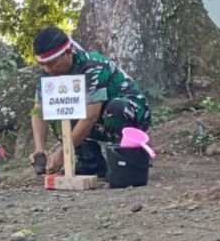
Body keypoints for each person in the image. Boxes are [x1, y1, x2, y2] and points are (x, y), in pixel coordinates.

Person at [28, 27, 151, 177]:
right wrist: (39, 150)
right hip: (97, 116)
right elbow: (39, 110)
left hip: (131, 113)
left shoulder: (92, 66)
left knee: (116, 109)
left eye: (53, 63)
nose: (48, 69)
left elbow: (90, 116)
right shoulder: (47, 75)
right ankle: (90, 160)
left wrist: (63, 153)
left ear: (69, 51)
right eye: (43, 64)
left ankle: (125, 159)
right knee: (58, 108)